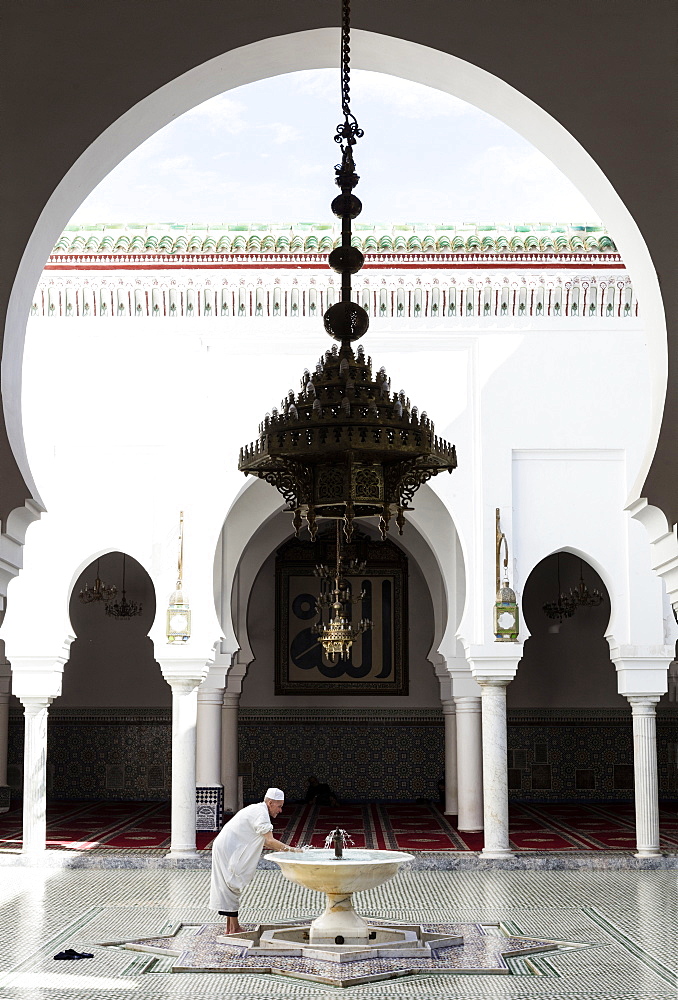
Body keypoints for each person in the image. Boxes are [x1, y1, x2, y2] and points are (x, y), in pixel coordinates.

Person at [209, 787, 301, 935]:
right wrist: (292, 851)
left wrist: (286, 850)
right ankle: (233, 928)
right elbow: (269, 841)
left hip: (226, 847)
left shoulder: (258, 810)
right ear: (270, 803)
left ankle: (232, 927)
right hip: (228, 849)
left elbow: (263, 840)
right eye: (279, 806)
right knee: (231, 883)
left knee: (229, 885)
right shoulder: (261, 813)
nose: (280, 810)